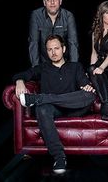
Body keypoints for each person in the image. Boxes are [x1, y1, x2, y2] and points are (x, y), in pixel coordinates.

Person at [13, 34, 95, 175]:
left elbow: (85, 85)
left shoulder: (75, 66)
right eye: (50, 49)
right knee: (42, 109)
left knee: (90, 95)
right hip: (54, 110)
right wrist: (19, 80)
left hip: (74, 109)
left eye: (56, 48)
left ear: (63, 49)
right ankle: (59, 157)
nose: (53, 52)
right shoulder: (43, 68)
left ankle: (42, 98)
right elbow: (21, 74)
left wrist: (87, 86)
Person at [28, 0, 79, 67]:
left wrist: (74, 68)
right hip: (44, 62)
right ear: (44, 2)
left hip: (64, 63)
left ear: (60, 1)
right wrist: (36, 68)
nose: (52, 3)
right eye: (48, 0)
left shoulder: (68, 16)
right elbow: (33, 43)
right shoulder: (36, 15)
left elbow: (73, 43)